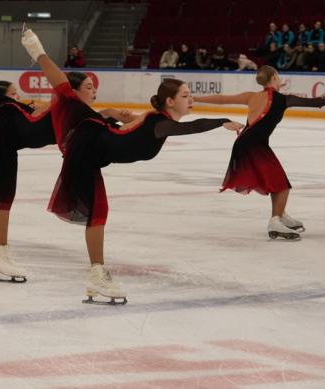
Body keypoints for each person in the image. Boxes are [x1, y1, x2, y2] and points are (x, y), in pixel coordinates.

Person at [21, 27, 242, 304]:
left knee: (98, 212)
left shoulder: (154, 119)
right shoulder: (161, 123)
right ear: (170, 101)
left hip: (95, 145)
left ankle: (97, 275)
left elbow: (134, 127)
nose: (191, 99)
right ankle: (97, 275)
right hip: (89, 146)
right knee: (97, 212)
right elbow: (191, 127)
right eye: (186, 95)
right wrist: (221, 121)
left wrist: (116, 117)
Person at [0, 37, 134, 283]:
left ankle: (0, 256)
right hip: (5, 127)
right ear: (73, 92)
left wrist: (116, 115)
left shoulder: (77, 113)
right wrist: (38, 51)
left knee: (4, 196)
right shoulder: (67, 104)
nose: (94, 91)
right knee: (4, 195)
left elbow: (98, 123)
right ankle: (0, 256)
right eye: (88, 86)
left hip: (10, 131)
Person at [193, 65, 325, 240]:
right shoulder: (283, 99)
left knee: (277, 181)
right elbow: (317, 103)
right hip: (254, 145)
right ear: (275, 77)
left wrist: (196, 98)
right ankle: (276, 220)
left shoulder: (251, 96)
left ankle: (280, 215)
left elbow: (222, 99)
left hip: (245, 142)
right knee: (282, 185)